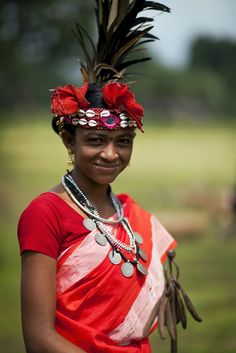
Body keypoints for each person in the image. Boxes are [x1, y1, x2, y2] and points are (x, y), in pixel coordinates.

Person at [17, 2, 176, 352]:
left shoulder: (128, 213)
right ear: (68, 140)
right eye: (95, 140)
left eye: (123, 142)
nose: (110, 154)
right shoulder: (46, 214)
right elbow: (39, 338)